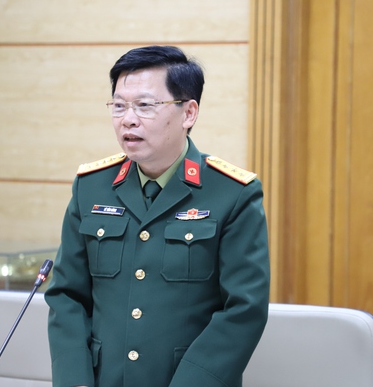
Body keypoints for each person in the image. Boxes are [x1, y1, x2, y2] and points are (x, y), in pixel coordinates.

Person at [45, 45, 270, 387]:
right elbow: (67, 296)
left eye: (145, 105)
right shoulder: (91, 187)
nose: (128, 119)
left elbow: (244, 309)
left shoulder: (233, 193)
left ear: (188, 113)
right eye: (119, 106)